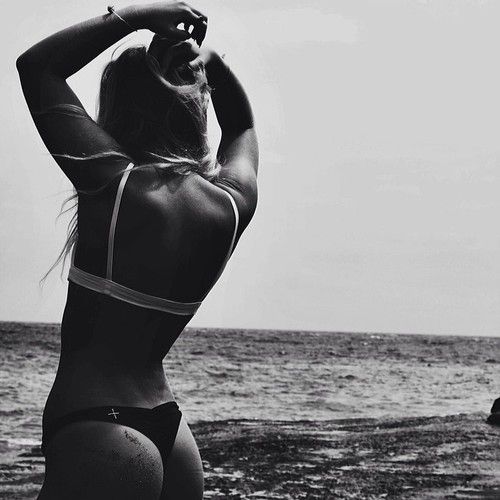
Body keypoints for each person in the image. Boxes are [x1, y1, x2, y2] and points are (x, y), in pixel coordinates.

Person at [16, 2, 258, 498]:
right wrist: (207, 60)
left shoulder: (115, 184)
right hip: (172, 434)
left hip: (99, 428)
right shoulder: (230, 205)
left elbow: (37, 67)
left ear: (121, 108)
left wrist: (138, 16)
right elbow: (242, 129)